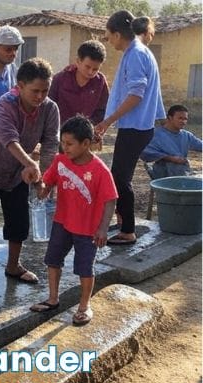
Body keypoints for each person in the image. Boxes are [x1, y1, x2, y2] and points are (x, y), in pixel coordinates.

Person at [0, 58, 60, 285]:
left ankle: (13, 265)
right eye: (35, 91)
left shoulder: (50, 109)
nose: (40, 96)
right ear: (20, 86)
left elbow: (51, 143)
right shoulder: (5, 104)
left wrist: (45, 179)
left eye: (45, 90)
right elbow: (8, 139)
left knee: (18, 218)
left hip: (19, 172)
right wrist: (31, 163)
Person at [30, 116, 117, 327]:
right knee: (52, 259)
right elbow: (45, 189)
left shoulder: (99, 170)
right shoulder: (60, 161)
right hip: (62, 222)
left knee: (85, 267)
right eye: (62, 142)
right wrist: (36, 182)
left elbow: (110, 199)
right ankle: (53, 298)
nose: (64, 147)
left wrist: (103, 228)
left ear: (86, 144)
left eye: (69, 144)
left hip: (88, 229)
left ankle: (84, 305)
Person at [95, 11, 164, 244]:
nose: (108, 41)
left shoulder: (136, 53)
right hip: (137, 125)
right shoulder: (137, 51)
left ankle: (128, 230)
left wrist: (107, 121)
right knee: (120, 176)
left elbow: (136, 94)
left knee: (120, 178)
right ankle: (124, 221)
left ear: (117, 34)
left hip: (136, 127)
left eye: (108, 36)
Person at [48, 40, 109, 127]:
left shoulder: (100, 82)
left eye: (95, 69)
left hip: (85, 133)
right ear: (78, 61)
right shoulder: (60, 79)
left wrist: (90, 126)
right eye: (87, 67)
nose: (90, 72)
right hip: (60, 131)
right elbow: (49, 105)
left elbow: (102, 111)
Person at [142, 105, 202, 179]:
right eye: (180, 118)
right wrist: (170, 158)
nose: (183, 121)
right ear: (170, 118)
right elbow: (145, 153)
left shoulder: (186, 135)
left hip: (182, 173)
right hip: (162, 175)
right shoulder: (156, 134)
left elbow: (200, 145)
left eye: (185, 119)